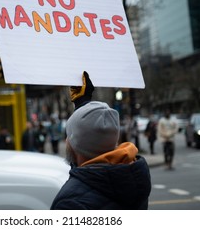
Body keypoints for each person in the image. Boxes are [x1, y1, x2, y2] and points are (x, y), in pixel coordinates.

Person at [51, 71, 151, 210]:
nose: (67, 139)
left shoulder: (70, 203)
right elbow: (92, 137)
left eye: (69, 135)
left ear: (75, 144)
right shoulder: (133, 177)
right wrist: (82, 104)